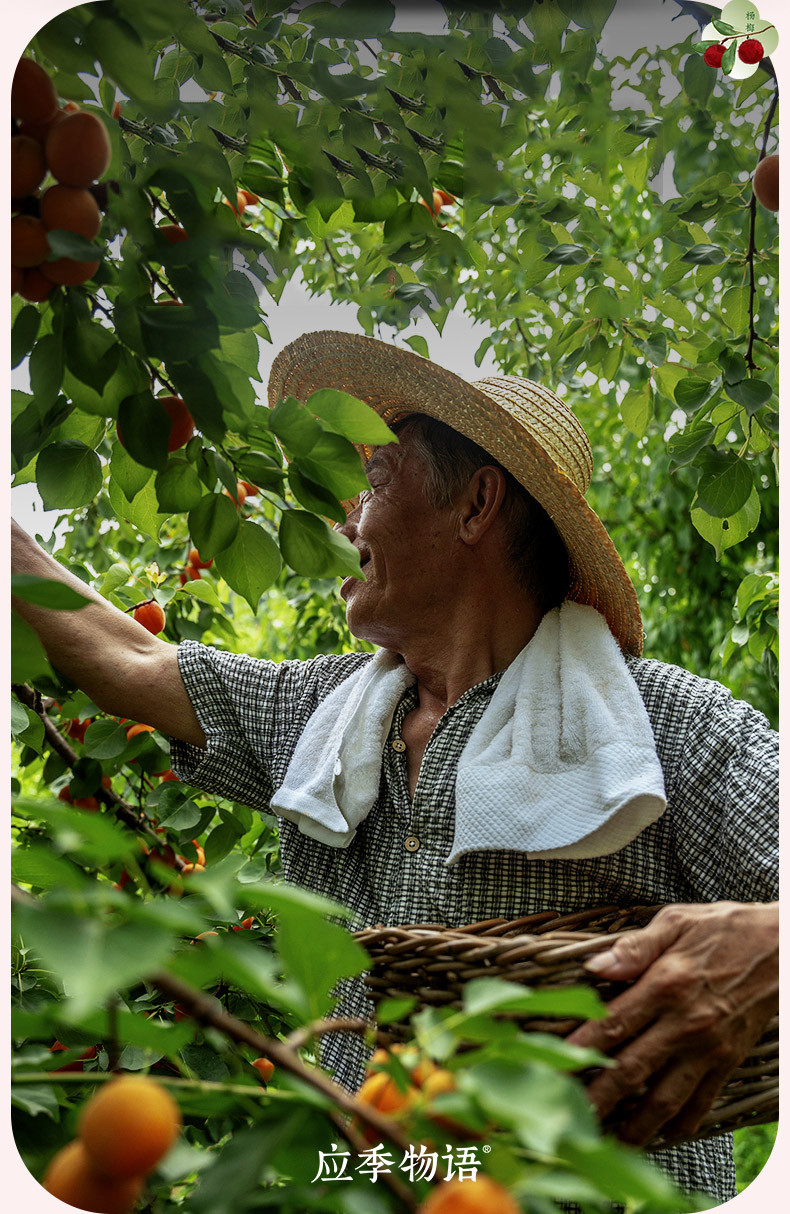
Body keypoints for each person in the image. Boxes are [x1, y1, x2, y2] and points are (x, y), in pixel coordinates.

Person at [11, 330, 778, 1207]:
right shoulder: (326, 715)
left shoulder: (663, 727)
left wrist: (765, 947)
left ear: (477, 504)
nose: (346, 516)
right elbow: (133, 661)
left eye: (376, 480)